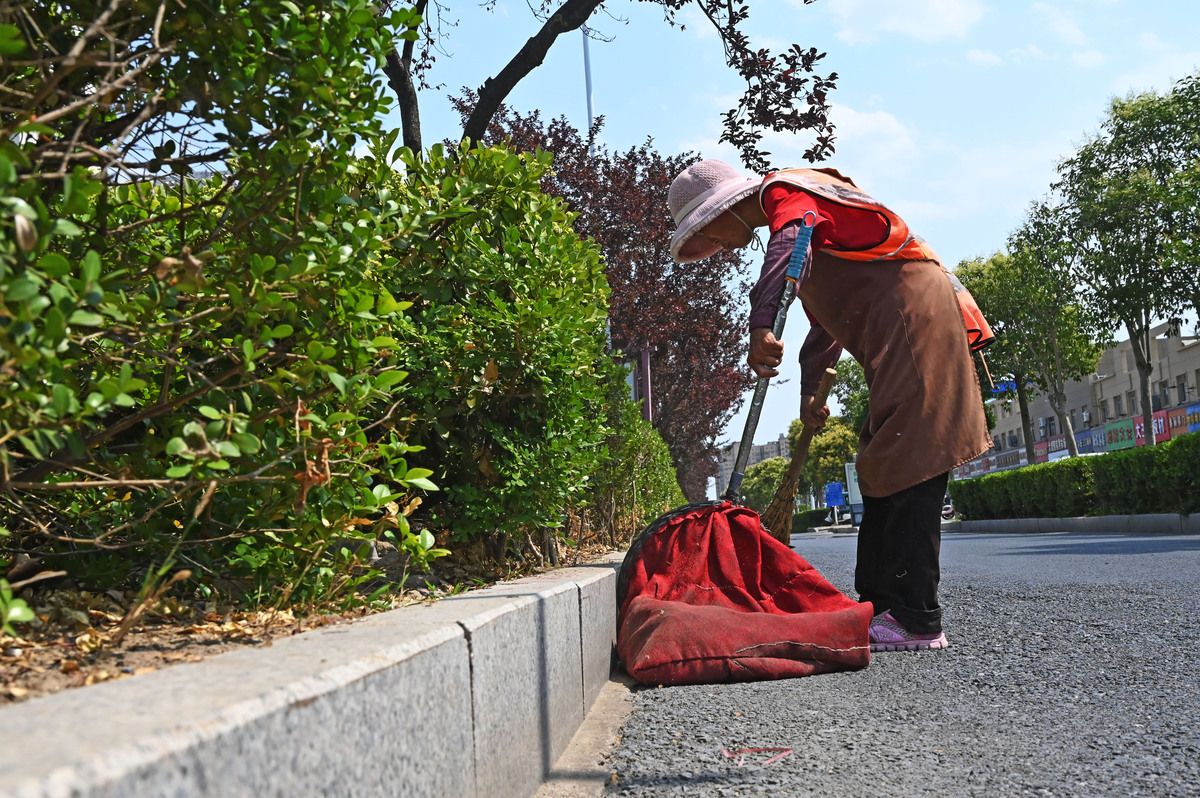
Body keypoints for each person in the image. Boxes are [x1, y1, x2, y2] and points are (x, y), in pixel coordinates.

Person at [666, 159, 993, 652]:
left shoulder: (786, 198)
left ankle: (917, 618)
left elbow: (789, 242)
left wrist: (761, 322)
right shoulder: (800, 230)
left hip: (916, 318)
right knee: (883, 459)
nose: (713, 249)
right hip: (896, 330)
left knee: (912, 457)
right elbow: (825, 324)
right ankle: (881, 607)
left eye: (708, 236)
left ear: (723, 212)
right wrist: (808, 394)